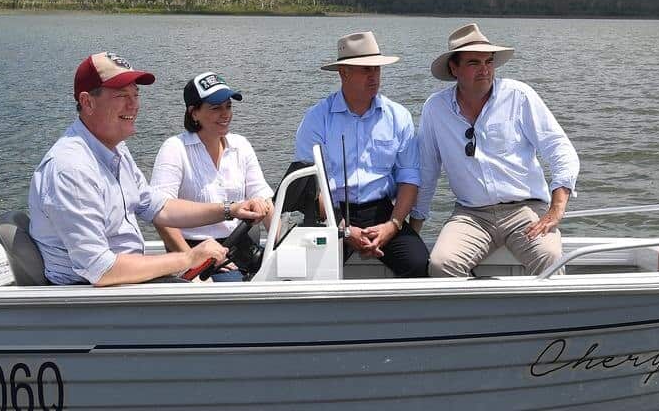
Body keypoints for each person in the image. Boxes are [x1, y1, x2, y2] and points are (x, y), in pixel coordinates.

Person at [28, 52, 267, 286]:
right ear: (87, 102)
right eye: (122, 95)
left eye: (136, 94)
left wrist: (231, 209)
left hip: (120, 282)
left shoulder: (115, 150)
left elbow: (159, 207)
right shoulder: (71, 169)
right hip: (88, 296)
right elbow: (99, 269)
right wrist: (188, 258)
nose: (134, 105)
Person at [416, 23, 580, 277]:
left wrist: (556, 209)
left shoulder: (519, 96)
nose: (484, 69)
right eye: (474, 62)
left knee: (550, 259)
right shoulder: (435, 108)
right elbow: (427, 172)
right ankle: (479, 306)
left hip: (525, 210)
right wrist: (414, 228)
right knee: (441, 264)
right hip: (471, 214)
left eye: (489, 61)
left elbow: (560, 150)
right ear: (454, 68)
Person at [294, 31, 429, 278]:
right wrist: (344, 230)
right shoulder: (316, 119)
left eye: (377, 69)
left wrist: (392, 226)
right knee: (305, 272)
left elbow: (409, 179)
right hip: (330, 213)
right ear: (343, 73)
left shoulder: (398, 116)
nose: (374, 76)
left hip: (382, 211)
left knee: (419, 263)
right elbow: (310, 186)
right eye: (366, 69)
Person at [150, 71, 274, 281]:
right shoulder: (174, 148)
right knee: (235, 287)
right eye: (216, 108)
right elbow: (160, 214)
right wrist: (191, 259)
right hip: (196, 250)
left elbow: (264, 198)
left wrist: (280, 245)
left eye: (228, 106)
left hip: (241, 248)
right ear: (194, 113)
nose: (225, 114)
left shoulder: (241, 145)